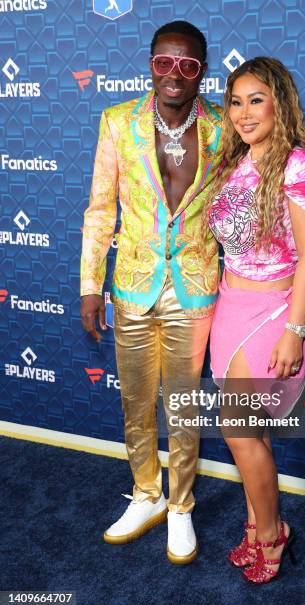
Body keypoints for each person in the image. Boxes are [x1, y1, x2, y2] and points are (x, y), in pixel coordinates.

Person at [80, 20, 223, 564]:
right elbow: (100, 208)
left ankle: (181, 506)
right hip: (132, 285)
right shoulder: (118, 122)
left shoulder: (224, 127)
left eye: (187, 65)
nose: (173, 73)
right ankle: (146, 495)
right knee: (136, 403)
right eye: (163, 61)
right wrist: (91, 284)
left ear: (201, 72)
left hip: (194, 287)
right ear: (149, 63)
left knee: (182, 408)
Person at [203, 57, 305, 583]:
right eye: (235, 100)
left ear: (280, 103)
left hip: (276, 312)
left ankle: (272, 534)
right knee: (251, 432)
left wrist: (294, 331)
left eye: (256, 99)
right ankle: (257, 525)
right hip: (231, 305)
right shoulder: (232, 163)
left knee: (238, 430)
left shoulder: (301, 166)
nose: (244, 112)